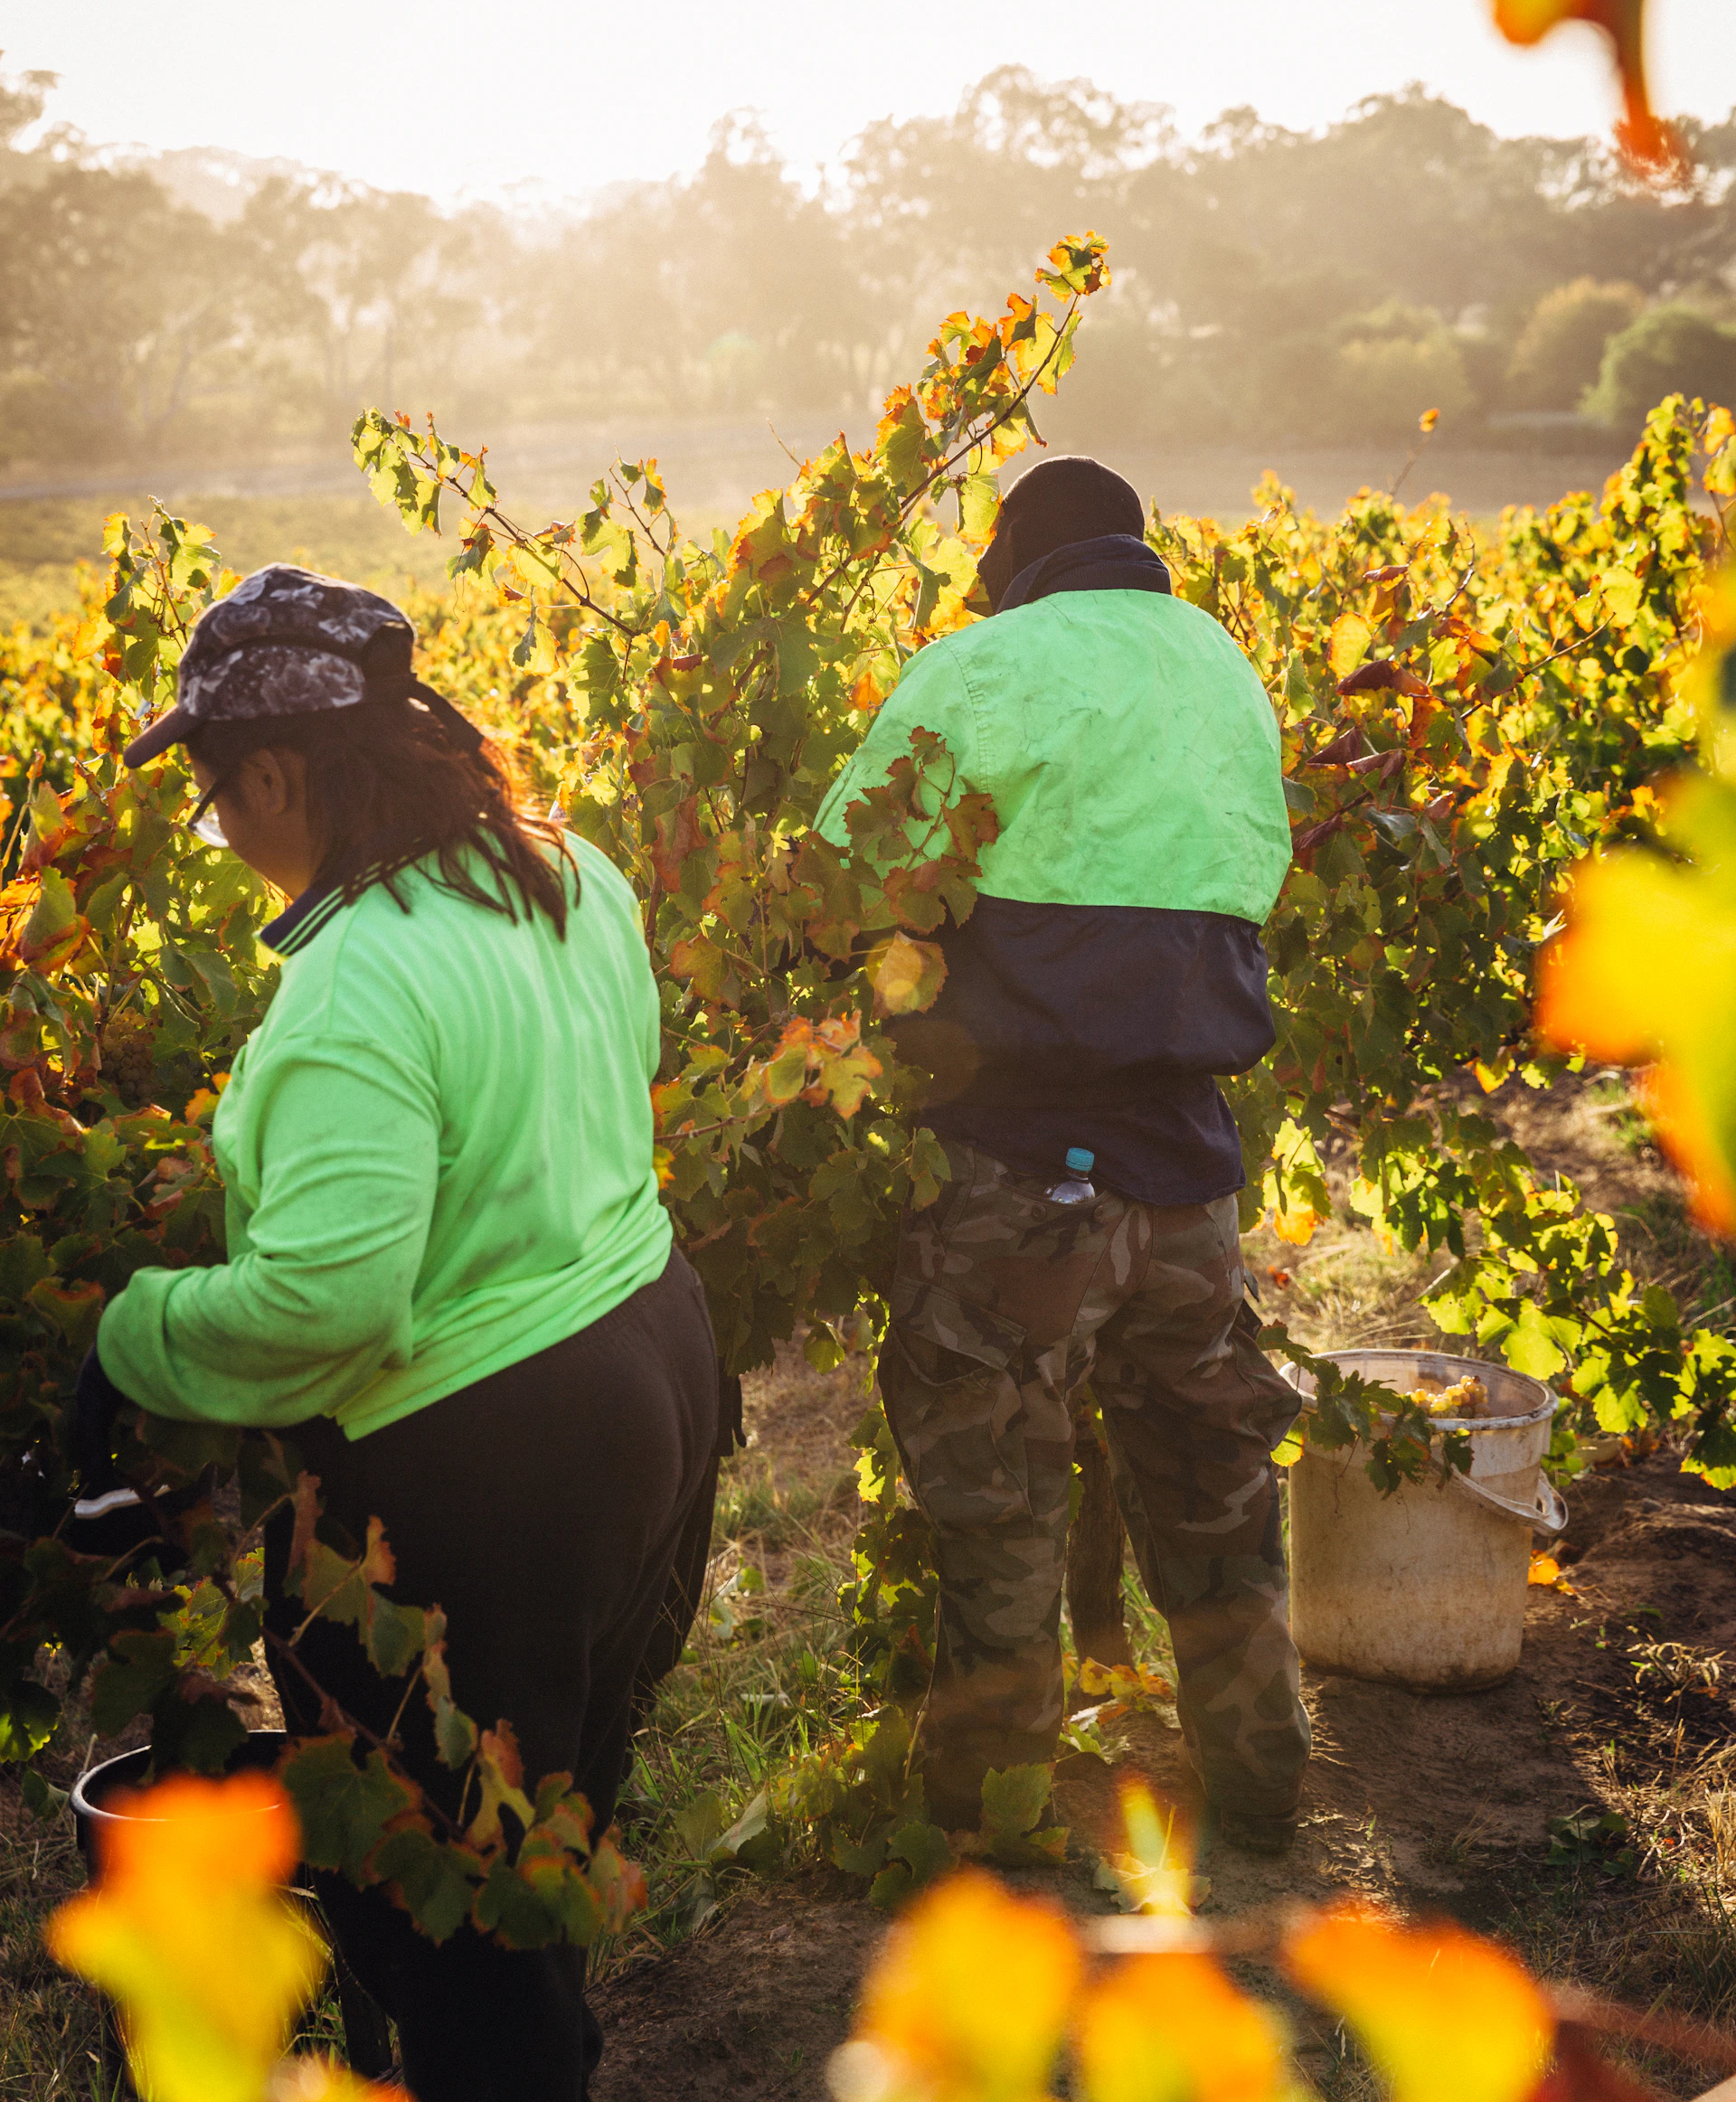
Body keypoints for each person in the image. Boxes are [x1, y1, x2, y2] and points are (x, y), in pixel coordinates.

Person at [77, 563, 718, 2100]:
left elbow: (327, 1306)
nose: (221, 830)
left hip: (494, 1473)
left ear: (283, 772)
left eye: (219, 789)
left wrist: (135, 1330)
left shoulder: (353, 989)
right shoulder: (565, 868)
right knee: (542, 1831)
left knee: (459, 1930)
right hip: (659, 1363)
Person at [814, 455, 1309, 1852]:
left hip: (1017, 1177)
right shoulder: (1220, 664)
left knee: (1000, 1501)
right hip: (1191, 1173)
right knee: (1214, 1484)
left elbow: (848, 875)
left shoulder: (983, 668)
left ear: (1015, 560)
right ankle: (1264, 1789)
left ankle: (991, 1821)